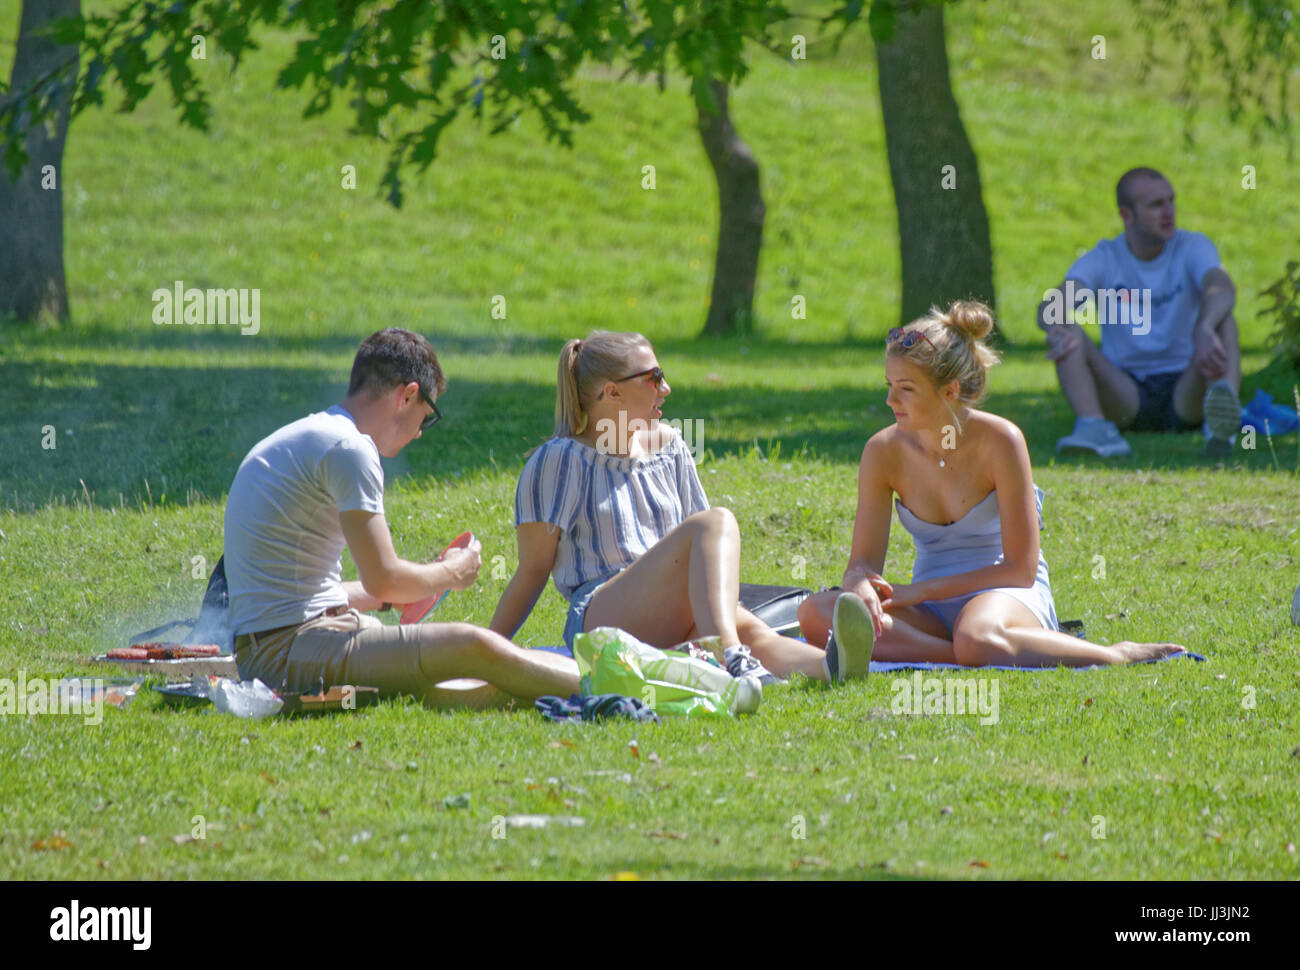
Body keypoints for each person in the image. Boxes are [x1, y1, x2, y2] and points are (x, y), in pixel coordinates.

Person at [797, 302, 1188, 667]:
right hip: (932, 612)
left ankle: (1113, 655)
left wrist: (922, 591)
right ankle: (959, 653)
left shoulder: (1002, 440)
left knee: (977, 636)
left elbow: (1020, 570)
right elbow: (862, 564)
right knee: (815, 614)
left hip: (1005, 597)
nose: (890, 399)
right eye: (889, 384)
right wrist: (859, 586)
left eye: (906, 388)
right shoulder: (882, 451)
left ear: (949, 391)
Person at [489, 330, 874, 686]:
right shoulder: (560, 460)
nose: (666, 388)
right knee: (715, 525)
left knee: (753, 630)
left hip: (674, 608)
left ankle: (829, 666)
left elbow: (703, 554)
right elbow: (532, 570)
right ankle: (730, 656)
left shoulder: (669, 445)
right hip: (602, 616)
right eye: (653, 377)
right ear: (612, 392)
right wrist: (488, 652)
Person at [225, 327, 579, 709]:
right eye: (425, 417)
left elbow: (305, 590)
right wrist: (452, 574)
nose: (420, 434)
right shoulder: (350, 449)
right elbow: (385, 580)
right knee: (470, 644)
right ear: (408, 394)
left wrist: (400, 593)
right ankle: (613, 687)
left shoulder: (314, 435)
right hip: (287, 653)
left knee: (457, 668)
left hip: (278, 645)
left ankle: (581, 676)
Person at [1038, 167, 1241, 458]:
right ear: (1126, 215)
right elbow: (1053, 304)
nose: (1168, 211)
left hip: (1188, 386)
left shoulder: (1192, 246)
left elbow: (1221, 286)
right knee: (1066, 328)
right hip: (1126, 393)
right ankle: (1095, 429)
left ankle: (1221, 427)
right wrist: (1054, 325)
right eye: (1156, 205)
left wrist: (1203, 327)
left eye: (1170, 201)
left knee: (1223, 320)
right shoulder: (1105, 257)